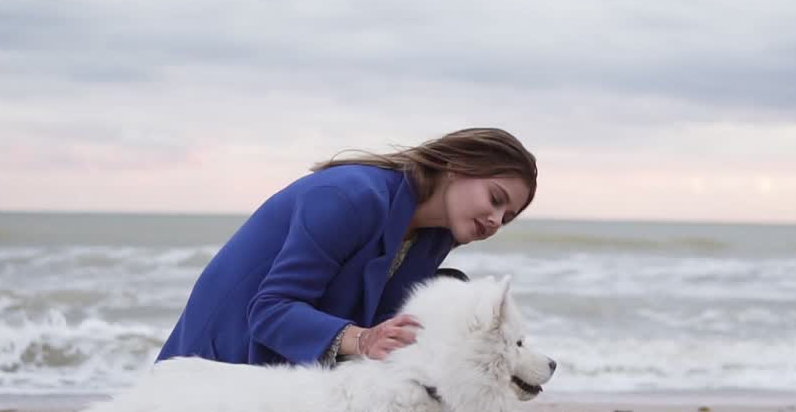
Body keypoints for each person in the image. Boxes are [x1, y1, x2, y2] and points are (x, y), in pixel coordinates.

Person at [157, 127, 537, 367]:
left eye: (506, 218)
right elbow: (270, 311)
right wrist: (363, 338)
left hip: (291, 377)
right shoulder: (350, 197)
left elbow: (384, 323)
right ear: (458, 166)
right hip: (217, 366)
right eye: (495, 198)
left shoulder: (434, 236)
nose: (494, 220)